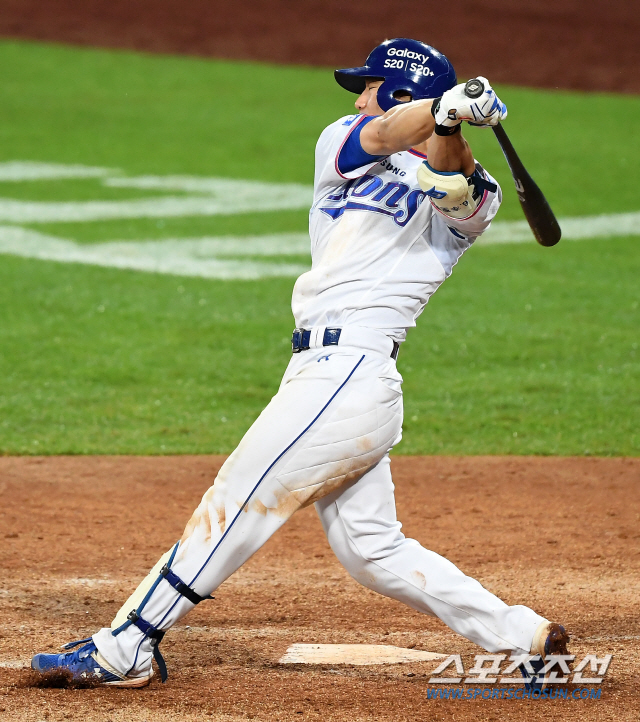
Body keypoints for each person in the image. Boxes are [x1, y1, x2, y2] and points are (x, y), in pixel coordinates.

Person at [31, 38, 569, 691]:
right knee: (371, 549)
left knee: (238, 497)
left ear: (400, 89)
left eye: (369, 85)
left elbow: (455, 187)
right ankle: (523, 637)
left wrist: (450, 124)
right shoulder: (342, 142)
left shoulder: (479, 192)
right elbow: (384, 133)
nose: (358, 97)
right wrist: (442, 108)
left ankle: (127, 646)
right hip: (323, 375)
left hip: (353, 372)